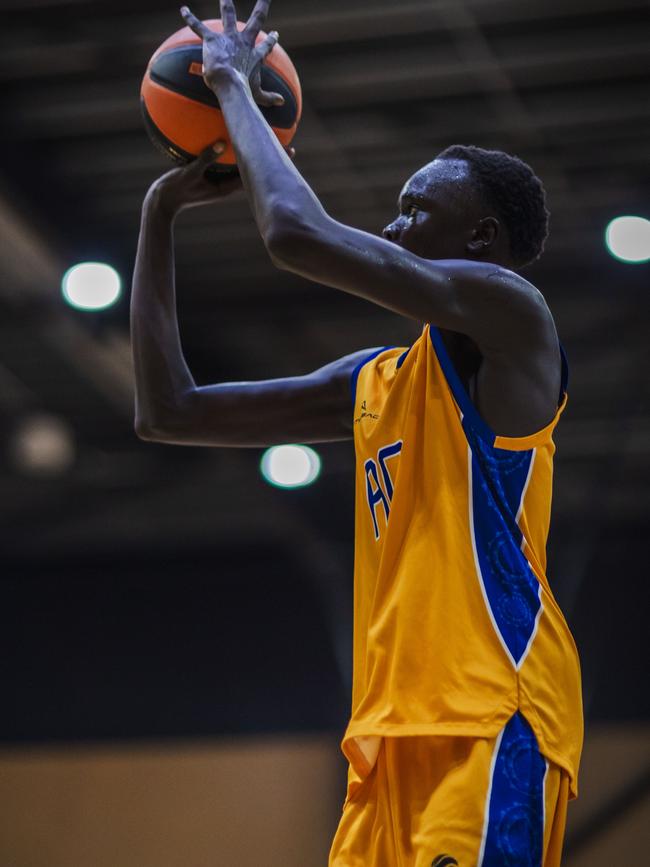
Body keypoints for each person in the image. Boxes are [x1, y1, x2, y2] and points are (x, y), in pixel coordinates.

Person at [130, 2, 584, 864]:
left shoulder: (515, 319)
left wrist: (232, 82)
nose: (392, 226)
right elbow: (170, 411)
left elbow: (296, 235)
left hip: (493, 715)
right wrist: (161, 214)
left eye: (415, 211)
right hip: (386, 741)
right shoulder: (374, 381)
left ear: (479, 238)